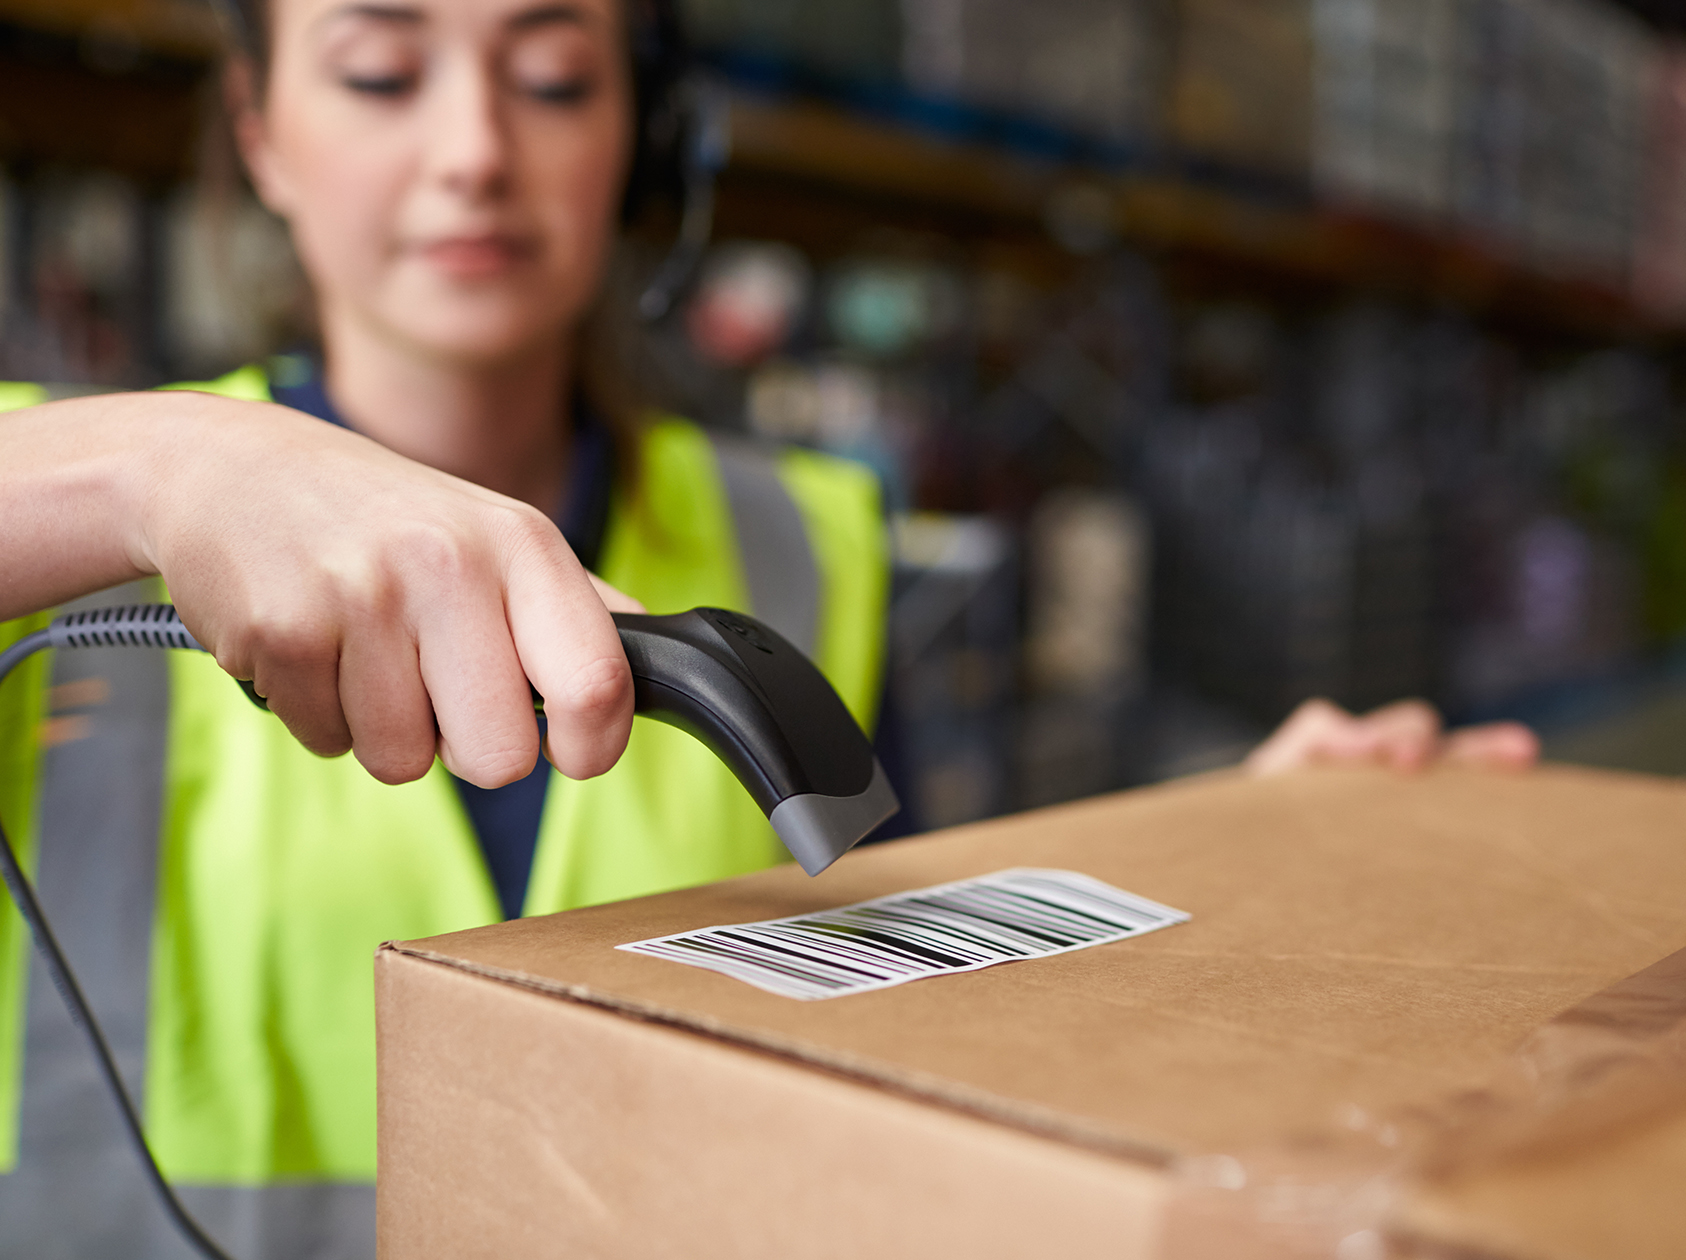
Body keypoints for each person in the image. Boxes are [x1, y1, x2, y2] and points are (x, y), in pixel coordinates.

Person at [0, 0, 1533, 1255]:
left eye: (550, 77)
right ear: (262, 133)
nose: (471, 151)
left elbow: (930, 1000)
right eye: (383, 71)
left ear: (639, 137)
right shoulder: (70, 519)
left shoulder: (803, 537)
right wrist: (162, 464)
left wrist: (1229, 868)